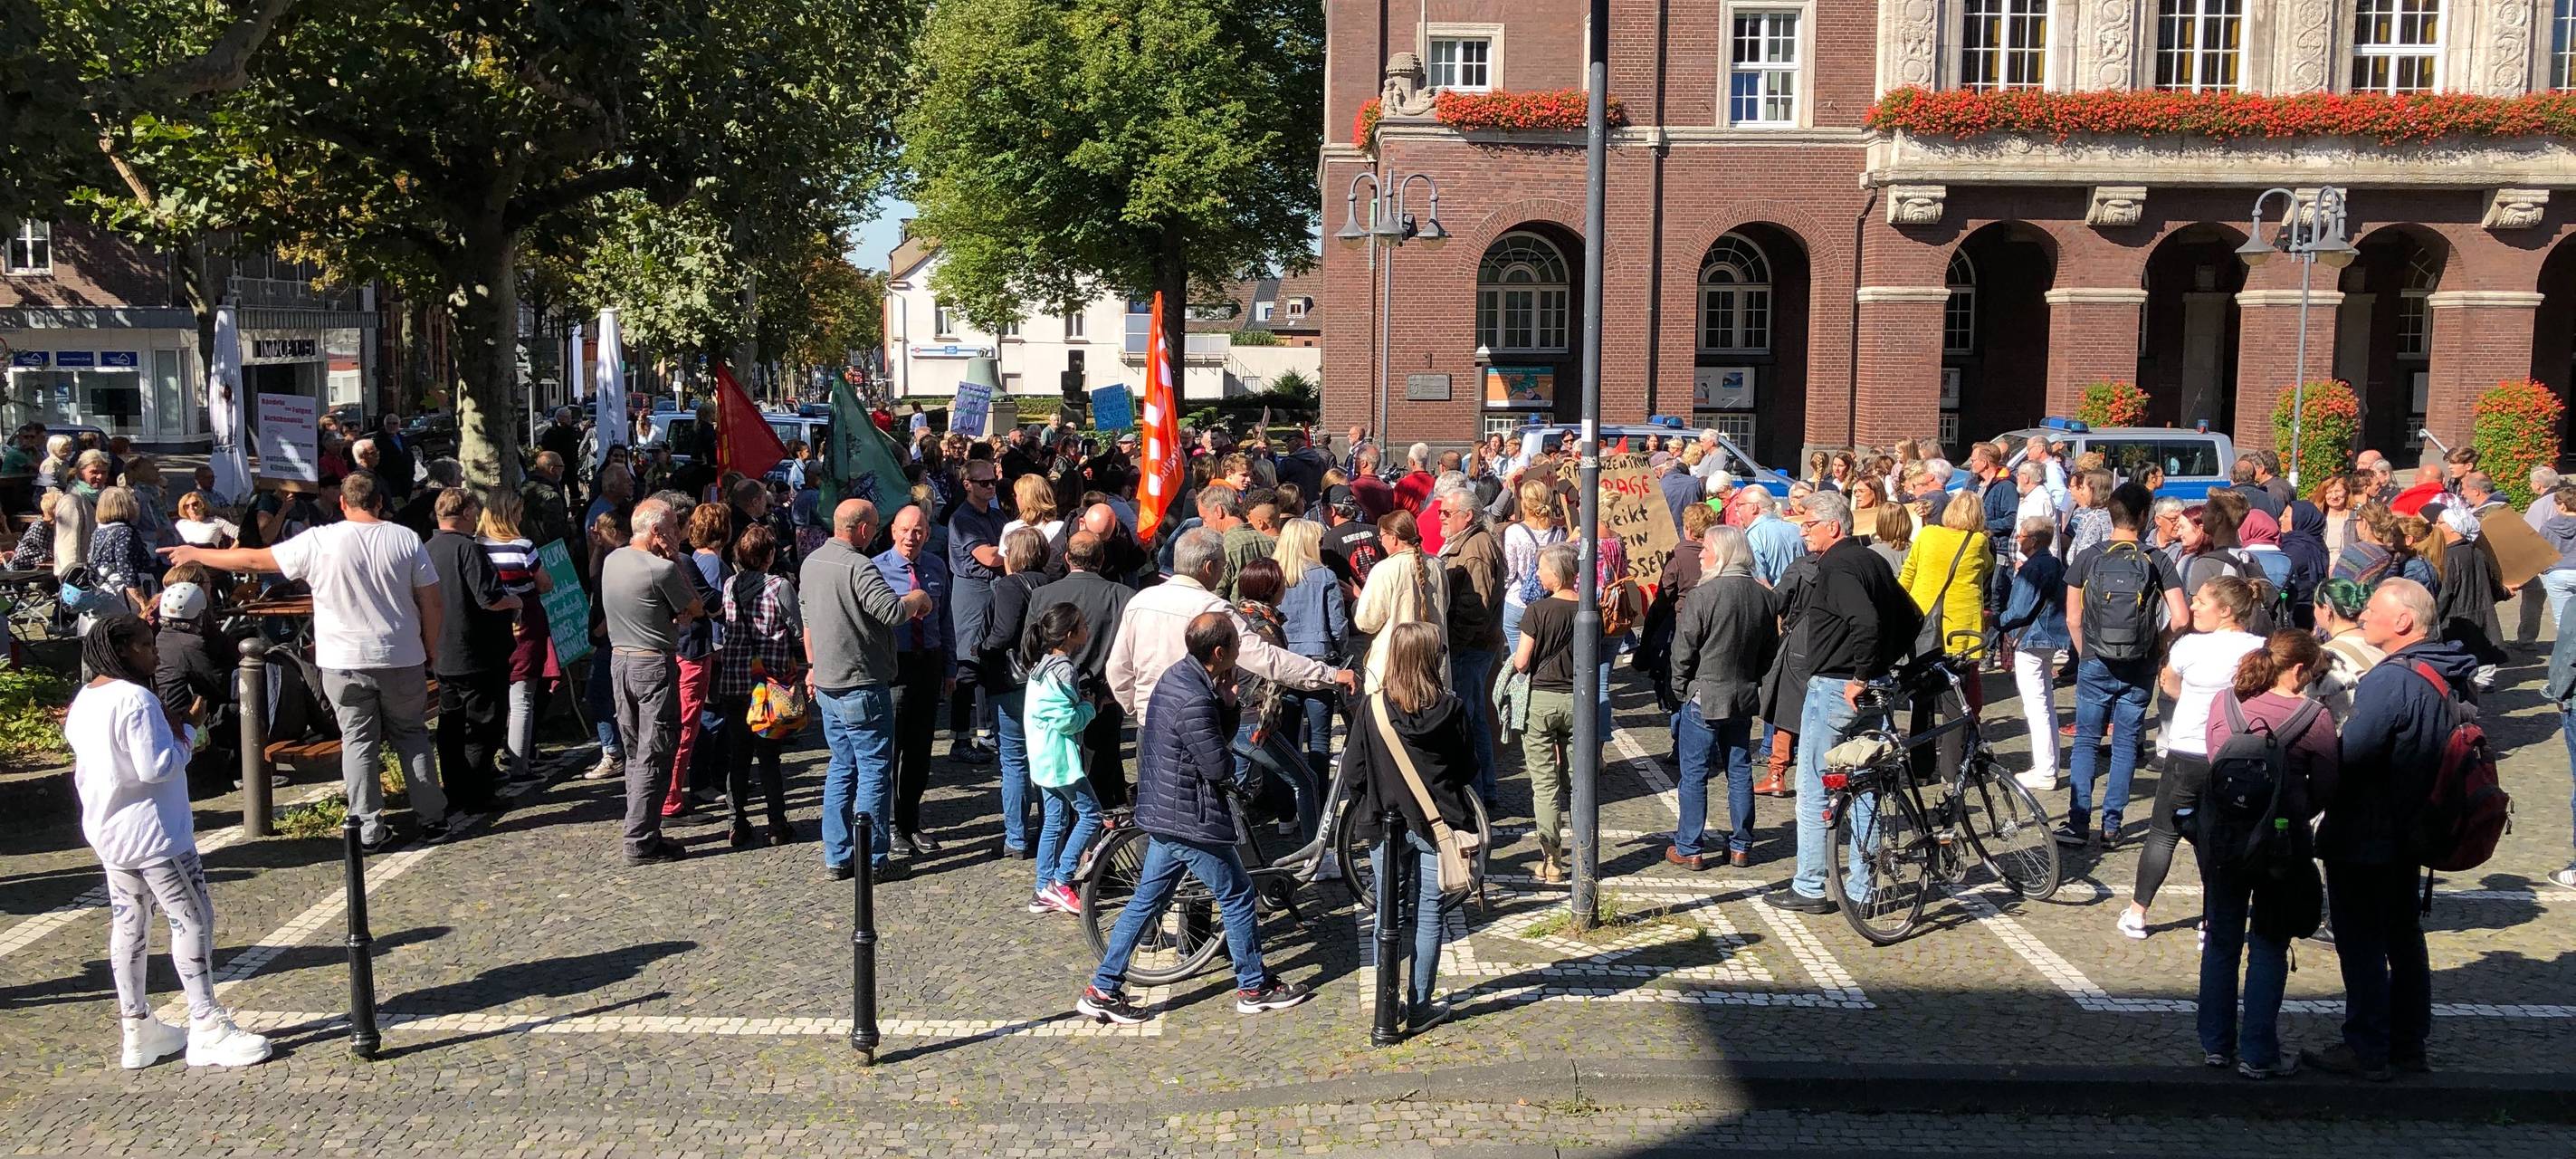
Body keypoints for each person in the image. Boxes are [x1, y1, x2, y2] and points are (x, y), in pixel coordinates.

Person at [166, 472, 446, 850]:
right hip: (401, 655)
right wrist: (431, 648)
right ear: (379, 502)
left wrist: (197, 553)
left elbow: (254, 558)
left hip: (342, 660)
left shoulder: (320, 540)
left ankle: (367, 827)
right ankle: (432, 819)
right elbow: (431, 600)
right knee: (411, 736)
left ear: (343, 503)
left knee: (358, 741)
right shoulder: (405, 538)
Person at [1076, 612, 1314, 1025]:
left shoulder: (1178, 677)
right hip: (1189, 815)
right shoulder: (1195, 699)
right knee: (1238, 895)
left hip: (1165, 810)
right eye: (1237, 647)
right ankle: (1254, 987)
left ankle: (1103, 988)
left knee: (1147, 900)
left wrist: (1223, 704)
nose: (1241, 655)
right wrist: (1231, 707)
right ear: (1220, 653)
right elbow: (1220, 766)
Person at [70, 615, 273, 1070]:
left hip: (111, 831)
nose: (156, 652)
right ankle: (206, 1024)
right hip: (157, 834)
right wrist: (189, 731)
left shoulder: (87, 698)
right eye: (145, 644)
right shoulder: (137, 700)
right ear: (121, 649)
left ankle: (137, 1028)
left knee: (130, 924)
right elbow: (156, 766)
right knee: (194, 918)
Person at [2304, 579, 2472, 1081]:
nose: (2364, 615)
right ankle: (2408, 1044)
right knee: (2403, 935)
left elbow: (2352, 754)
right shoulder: (2444, 671)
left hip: (2368, 830)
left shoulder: (2390, 680)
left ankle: (2367, 1047)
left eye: (2374, 609)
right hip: (2413, 827)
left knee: (2360, 941)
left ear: (2403, 622)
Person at [1768, 491, 1919, 914]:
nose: (1803, 532)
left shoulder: (1837, 566)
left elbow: (1867, 621)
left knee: (1816, 785)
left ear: (1833, 526)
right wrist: (1884, 667)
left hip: (1839, 688)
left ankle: (1810, 885)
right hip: (1870, 687)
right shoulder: (1873, 560)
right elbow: (1912, 618)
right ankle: (1864, 889)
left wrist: (1860, 675)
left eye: (1809, 525)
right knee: (1868, 785)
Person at [2199, 629, 2339, 1079]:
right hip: (2282, 845)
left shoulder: (2224, 706)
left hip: (2224, 841)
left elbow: (2214, 766)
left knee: (2221, 941)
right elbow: (2328, 788)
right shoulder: (2313, 718)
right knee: (2269, 945)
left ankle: (2216, 1046)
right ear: (2298, 669)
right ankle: (2259, 1054)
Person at [1338, 619, 1477, 1032]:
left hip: (1384, 822)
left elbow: (1354, 772)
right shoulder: (1451, 709)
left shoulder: (1372, 708)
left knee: (1388, 912)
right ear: (1433, 660)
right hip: (1439, 825)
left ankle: (1386, 1005)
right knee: (1431, 912)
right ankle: (1419, 1005)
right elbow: (1467, 768)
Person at [2121, 576, 2266, 939]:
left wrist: (2194, 699)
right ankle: (2212, 921)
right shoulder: (2261, 649)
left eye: (2201, 600)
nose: (2194, 606)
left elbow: (2169, 685)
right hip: (2236, 755)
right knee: (2219, 837)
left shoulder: (2189, 647)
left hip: (2188, 750)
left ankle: (2138, 913)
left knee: (2162, 833)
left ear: (2225, 611)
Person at [806, 499, 936, 880]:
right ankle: (873, 859)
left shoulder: (812, 562)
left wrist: (812, 667)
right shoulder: (860, 566)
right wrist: (917, 598)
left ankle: (838, 854)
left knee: (841, 767)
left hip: (829, 682)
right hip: (861, 683)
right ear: (862, 529)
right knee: (874, 771)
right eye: (876, 527)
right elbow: (891, 612)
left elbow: (806, 617)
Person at [2057, 483, 2188, 848]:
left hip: (2095, 659)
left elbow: (2072, 617)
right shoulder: (2156, 558)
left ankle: (2077, 823)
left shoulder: (2088, 557)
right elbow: (2181, 617)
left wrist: (2087, 653)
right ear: (2144, 516)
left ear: (2111, 513)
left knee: (2085, 741)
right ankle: (2112, 826)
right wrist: (2159, 645)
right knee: (2126, 743)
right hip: (2139, 662)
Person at [595, 497, 703, 865]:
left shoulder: (614, 560)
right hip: (653, 665)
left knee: (634, 751)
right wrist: (673, 559)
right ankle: (640, 840)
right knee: (655, 752)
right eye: (673, 528)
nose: (678, 534)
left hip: (620, 661)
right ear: (656, 532)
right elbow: (695, 607)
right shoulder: (661, 570)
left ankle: (645, 829)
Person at [1665, 526, 1776, 870]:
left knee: (1695, 774)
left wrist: (1681, 687)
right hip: (1741, 693)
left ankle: (1689, 847)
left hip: (1704, 693)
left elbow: (1683, 648)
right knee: (1738, 769)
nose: (1700, 555)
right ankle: (1741, 845)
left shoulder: (1704, 594)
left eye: (1706, 549)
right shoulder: (1763, 596)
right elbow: (1769, 651)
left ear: (1723, 554)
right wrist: (1751, 679)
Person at [425, 487, 522, 816]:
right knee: (484, 725)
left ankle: (453, 791)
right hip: (477, 653)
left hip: (442, 652)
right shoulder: (470, 550)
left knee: (450, 727)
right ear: (467, 513)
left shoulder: (425, 549)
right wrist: (516, 601)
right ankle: (477, 793)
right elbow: (489, 598)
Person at [1027, 530, 1136, 808]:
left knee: (1059, 784)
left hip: (1056, 698)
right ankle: (1097, 840)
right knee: (1101, 774)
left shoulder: (1042, 595)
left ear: (1066, 558)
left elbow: (1029, 647)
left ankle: (1061, 836)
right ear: (1101, 559)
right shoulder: (1122, 595)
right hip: (1102, 697)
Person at [713, 525, 803, 848]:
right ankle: (777, 824)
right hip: (770, 685)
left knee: (738, 755)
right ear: (769, 556)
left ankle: (736, 822)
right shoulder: (779, 586)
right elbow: (796, 629)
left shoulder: (729, 584)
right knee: (769, 757)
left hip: (735, 682)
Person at [874, 503, 955, 856]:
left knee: (921, 751)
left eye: (919, 531)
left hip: (930, 663)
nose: (912, 537)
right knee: (893, 748)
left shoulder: (936, 567)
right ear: (894, 531)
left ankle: (911, 822)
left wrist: (950, 668)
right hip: (895, 667)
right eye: (906, 530)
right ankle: (891, 826)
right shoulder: (876, 570)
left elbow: (946, 621)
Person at [1022, 603, 1102, 915]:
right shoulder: (1064, 669)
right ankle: (1061, 880)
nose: (1087, 628)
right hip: (1060, 759)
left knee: (1053, 822)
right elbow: (1067, 720)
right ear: (1070, 634)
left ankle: (1043, 888)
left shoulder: (1040, 665)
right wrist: (1090, 706)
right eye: (1082, 624)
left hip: (1042, 756)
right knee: (1091, 814)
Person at [979, 527, 1052, 860]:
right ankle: (1051, 830)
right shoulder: (1053, 582)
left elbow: (1004, 632)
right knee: (1047, 757)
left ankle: (1017, 838)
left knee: (1015, 760)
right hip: (1048, 680)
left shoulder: (1010, 585)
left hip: (1013, 682)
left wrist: (982, 649)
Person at [475, 491, 552, 789]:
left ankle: (493, 756)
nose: (521, 517)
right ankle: (518, 762)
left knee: (494, 694)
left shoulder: (477, 547)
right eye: (518, 512)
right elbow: (544, 582)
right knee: (522, 698)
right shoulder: (522, 546)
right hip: (525, 621)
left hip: (489, 625)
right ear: (509, 515)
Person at [1435, 483, 1504, 803]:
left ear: (1468, 516)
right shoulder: (1466, 542)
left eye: (1447, 513)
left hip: (1471, 647)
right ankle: (1484, 790)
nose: (1441, 517)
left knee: (1466, 718)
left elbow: (1476, 605)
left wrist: (1454, 644)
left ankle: (1476, 792)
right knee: (1473, 718)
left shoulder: (1475, 548)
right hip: (1474, 644)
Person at [659, 503, 730, 818]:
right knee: (685, 727)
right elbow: (709, 605)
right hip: (689, 651)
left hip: (669, 651)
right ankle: (672, 800)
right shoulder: (683, 561)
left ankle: (668, 795)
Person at [1272, 519, 1345, 785]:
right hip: (1320, 659)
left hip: (1284, 661)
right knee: (1319, 738)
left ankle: (1288, 804)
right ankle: (1318, 798)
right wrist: (1339, 651)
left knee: (1287, 737)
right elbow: (1337, 625)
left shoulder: (1275, 574)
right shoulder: (1324, 575)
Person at [1999, 517, 2068, 792]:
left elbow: (2019, 611)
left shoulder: (2035, 567)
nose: (2018, 539)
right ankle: (2046, 766)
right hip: (2047, 636)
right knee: (2044, 704)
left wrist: (1994, 621)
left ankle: (2045, 770)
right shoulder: (2051, 563)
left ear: (2035, 540)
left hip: (2032, 638)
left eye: (2022, 535)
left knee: (2036, 706)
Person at [948, 459, 1008, 761]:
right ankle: (960, 739)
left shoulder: (997, 517)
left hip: (994, 593)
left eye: (993, 481)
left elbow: (1004, 551)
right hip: (971, 594)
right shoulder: (962, 519)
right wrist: (1016, 547)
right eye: (984, 482)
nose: (990, 487)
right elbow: (989, 556)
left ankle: (986, 733)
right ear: (967, 484)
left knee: (989, 662)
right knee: (968, 666)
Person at [1351, 510, 1447, 692]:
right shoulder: (1437, 565)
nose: (1381, 542)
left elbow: (1367, 622)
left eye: (1382, 537)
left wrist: (1360, 600)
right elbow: (1446, 605)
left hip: (1395, 665)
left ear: (1393, 538)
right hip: (1431, 661)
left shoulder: (1385, 570)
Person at [1900, 491, 1992, 667]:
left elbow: (1909, 571)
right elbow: (1988, 565)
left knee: (1922, 669)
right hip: (1961, 617)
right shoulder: (1978, 541)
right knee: (1959, 671)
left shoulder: (1927, 534)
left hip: (1923, 611)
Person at [88, 486, 161, 616]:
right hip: (122, 593)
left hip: (102, 587)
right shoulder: (124, 532)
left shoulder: (98, 531)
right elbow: (125, 567)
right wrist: (142, 601)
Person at [1740, 488, 1804, 585]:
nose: (1736, 509)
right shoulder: (1796, 529)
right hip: (1801, 596)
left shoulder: (1754, 536)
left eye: (1739, 505)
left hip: (1774, 596)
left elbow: (1760, 582)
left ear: (1754, 507)